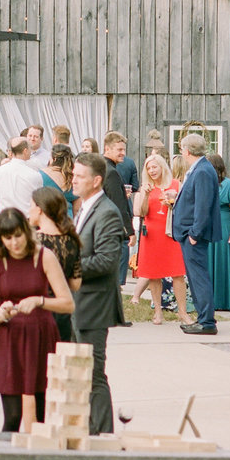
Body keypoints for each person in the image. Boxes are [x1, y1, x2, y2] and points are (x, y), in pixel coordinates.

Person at [0, 208, 74, 429]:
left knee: (42, 415)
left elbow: (67, 303)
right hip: (9, 338)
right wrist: (1, 312)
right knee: (12, 416)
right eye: (8, 238)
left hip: (40, 335)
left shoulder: (44, 256)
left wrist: (40, 301)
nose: (14, 243)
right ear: (0, 239)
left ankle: (38, 458)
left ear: (27, 231)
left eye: (18, 236)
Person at [70, 151, 125, 433]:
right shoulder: (84, 207)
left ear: (97, 180)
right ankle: (86, 428)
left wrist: (68, 267)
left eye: (80, 176)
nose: (73, 180)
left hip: (95, 303)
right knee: (80, 371)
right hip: (78, 302)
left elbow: (106, 261)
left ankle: (103, 432)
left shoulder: (107, 213)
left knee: (93, 373)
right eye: (73, 174)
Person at [131, 153, 189, 325]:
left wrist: (172, 203)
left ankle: (183, 312)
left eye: (154, 167)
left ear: (162, 167)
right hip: (151, 233)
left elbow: (185, 208)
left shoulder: (175, 184)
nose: (152, 170)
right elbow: (141, 212)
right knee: (154, 274)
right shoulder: (146, 187)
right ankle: (158, 311)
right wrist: (146, 195)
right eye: (148, 168)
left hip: (170, 232)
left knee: (177, 272)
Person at [174, 133, 222, 335]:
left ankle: (207, 322)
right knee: (194, 277)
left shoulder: (202, 170)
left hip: (193, 235)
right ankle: (203, 319)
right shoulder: (200, 168)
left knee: (199, 277)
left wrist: (194, 233)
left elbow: (203, 206)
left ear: (186, 151)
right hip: (189, 232)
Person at [31, 186, 82, 339]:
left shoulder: (32, 241)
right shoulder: (71, 240)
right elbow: (76, 284)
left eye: (31, 206)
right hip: (61, 312)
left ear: (39, 209)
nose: (29, 210)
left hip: (36, 311)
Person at [101, 132, 136, 286]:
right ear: (107, 149)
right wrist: (130, 231)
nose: (123, 153)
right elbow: (119, 206)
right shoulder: (112, 173)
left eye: (124, 150)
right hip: (113, 226)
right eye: (119, 150)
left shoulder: (101, 167)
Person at [207, 152, 230, 313]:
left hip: (224, 223)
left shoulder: (228, 184)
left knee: (223, 261)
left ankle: (225, 299)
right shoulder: (204, 183)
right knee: (208, 261)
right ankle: (210, 300)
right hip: (207, 224)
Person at [0, 136, 43, 216]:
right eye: (30, 148)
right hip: (25, 221)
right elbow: (39, 201)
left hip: (3, 219)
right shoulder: (34, 175)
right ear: (25, 151)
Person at [43, 143, 76, 209]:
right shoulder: (73, 176)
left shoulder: (42, 174)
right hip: (69, 217)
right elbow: (77, 207)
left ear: (54, 159)